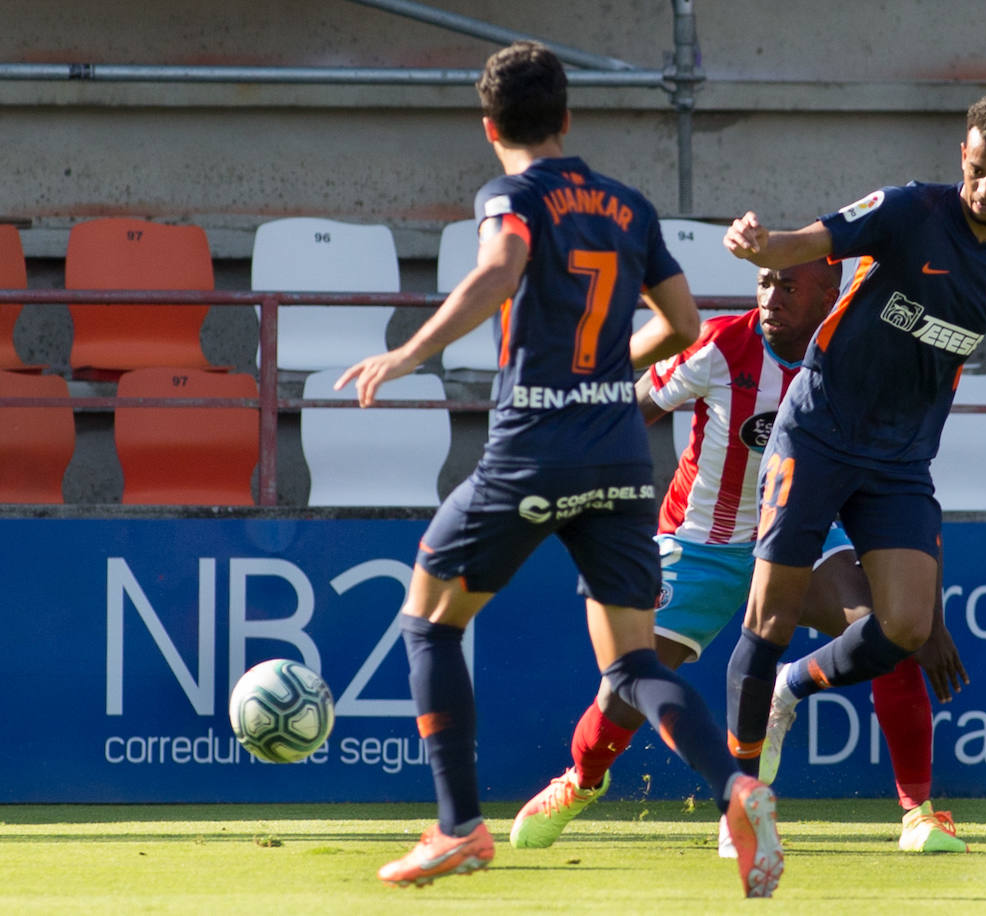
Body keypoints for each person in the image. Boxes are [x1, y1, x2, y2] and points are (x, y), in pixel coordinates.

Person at [335, 41, 782, 899]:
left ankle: (459, 828)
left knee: (429, 619)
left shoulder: (512, 194)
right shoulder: (627, 205)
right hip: (618, 452)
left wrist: (408, 352)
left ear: (489, 125)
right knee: (634, 667)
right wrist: (613, 368)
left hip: (535, 446)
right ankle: (736, 787)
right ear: (568, 118)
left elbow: (500, 269)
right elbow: (686, 324)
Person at [509, 257, 970, 856]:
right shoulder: (724, 343)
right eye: (765, 283)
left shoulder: (858, 362)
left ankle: (918, 815)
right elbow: (633, 410)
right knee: (626, 685)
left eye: (789, 285)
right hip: (701, 543)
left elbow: (910, 485)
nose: (772, 296)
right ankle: (579, 783)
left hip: (803, 536)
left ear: (829, 294)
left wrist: (926, 612)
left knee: (890, 636)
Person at [718, 92, 986, 844]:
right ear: (960, 158)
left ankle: (793, 688)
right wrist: (760, 246)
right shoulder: (906, 211)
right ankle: (741, 802)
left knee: (905, 625)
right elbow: (809, 243)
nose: (984, 187)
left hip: (900, 458)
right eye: (974, 169)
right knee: (767, 617)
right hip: (821, 429)